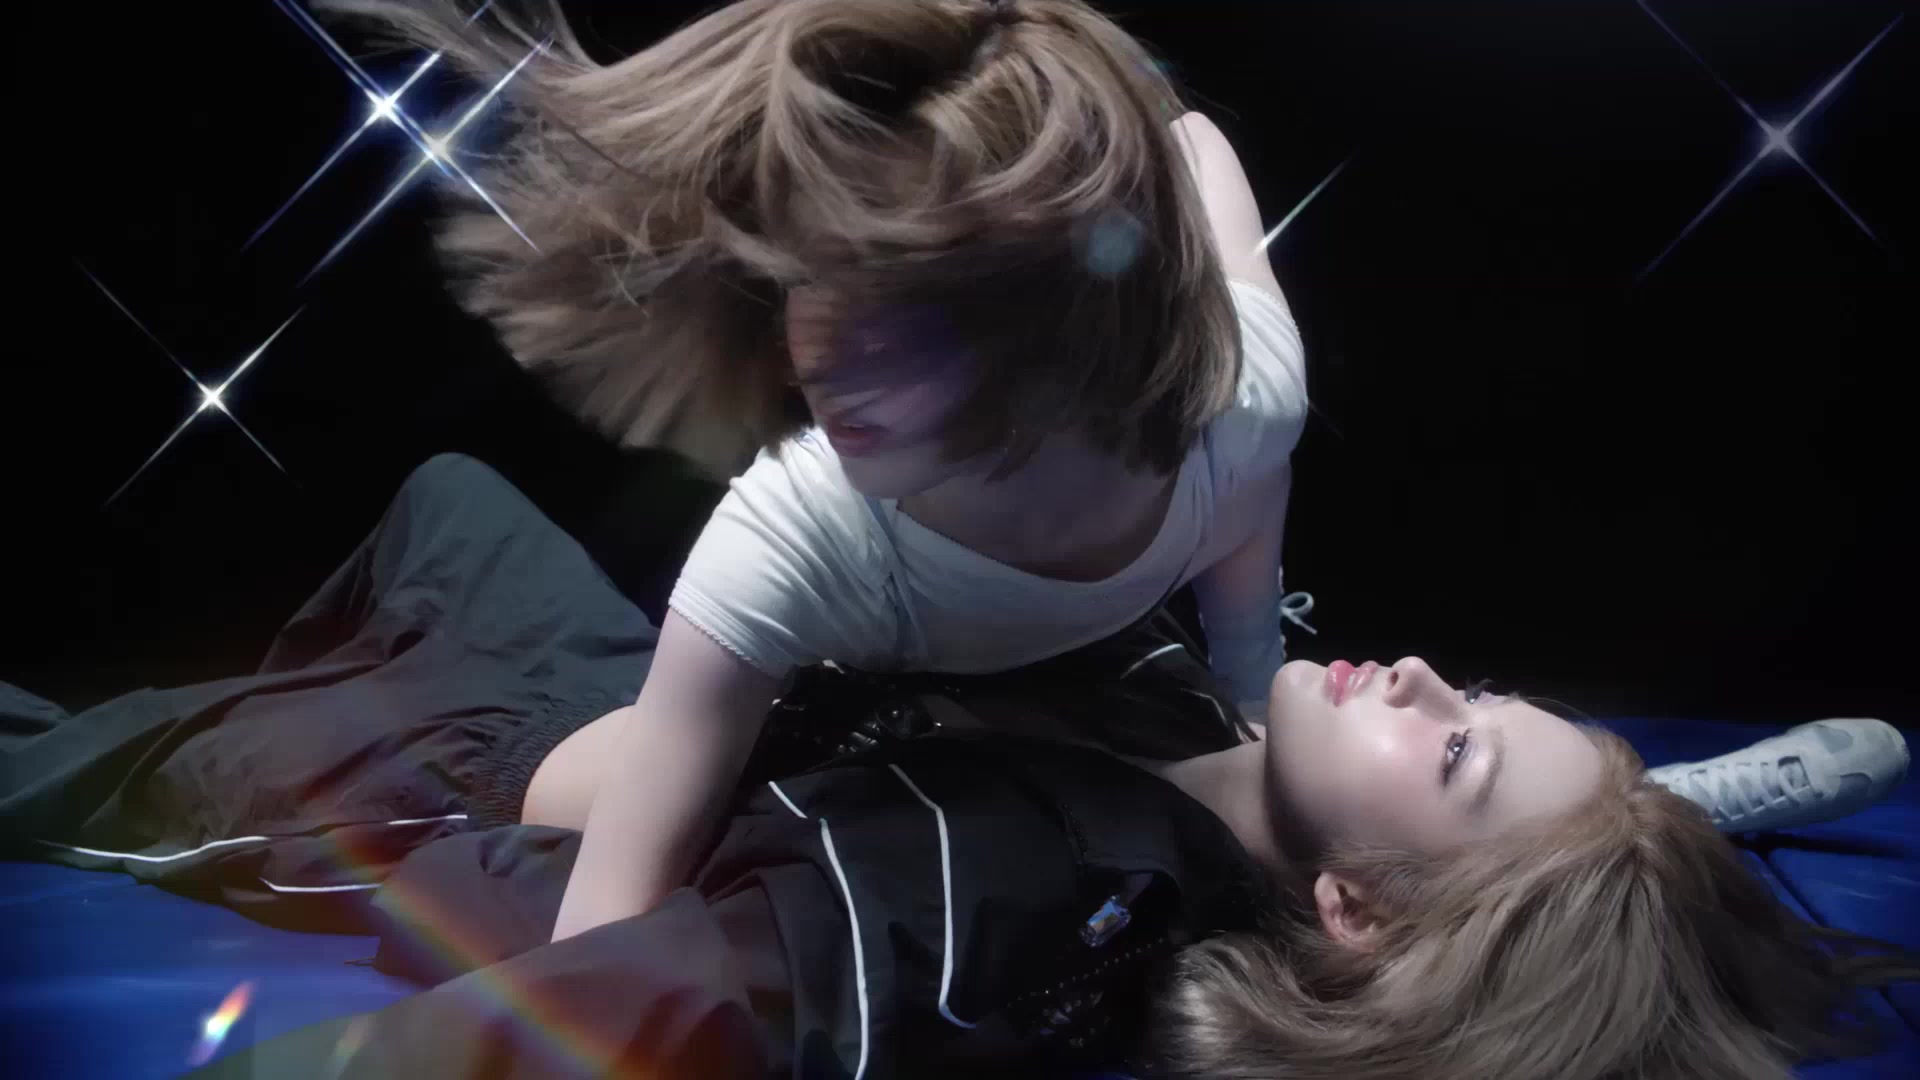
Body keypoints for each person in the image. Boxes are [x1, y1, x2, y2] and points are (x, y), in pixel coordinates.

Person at [316, 0, 1907, 952]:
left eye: (888, 333)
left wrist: (1249, 690)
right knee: (451, 503)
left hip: (1037, 709)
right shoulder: (791, 538)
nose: (807, 360)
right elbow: (612, 913)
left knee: (1241, 810)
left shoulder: (1236, 409)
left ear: (1050, 345)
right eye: (810, 296)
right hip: (676, 729)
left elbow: (1197, 175)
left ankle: (1627, 821)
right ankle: (1631, 813)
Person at [3, 455, 1912, 1080]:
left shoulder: (985, 914)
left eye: (1461, 744)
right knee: (445, 491)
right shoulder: (1232, 706)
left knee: (98, 765)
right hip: (607, 673)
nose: (1417, 674)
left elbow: (576, 1021)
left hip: (456, 776)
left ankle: (222, 722)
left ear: (1356, 911)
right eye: (1472, 692)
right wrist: (1658, 809)